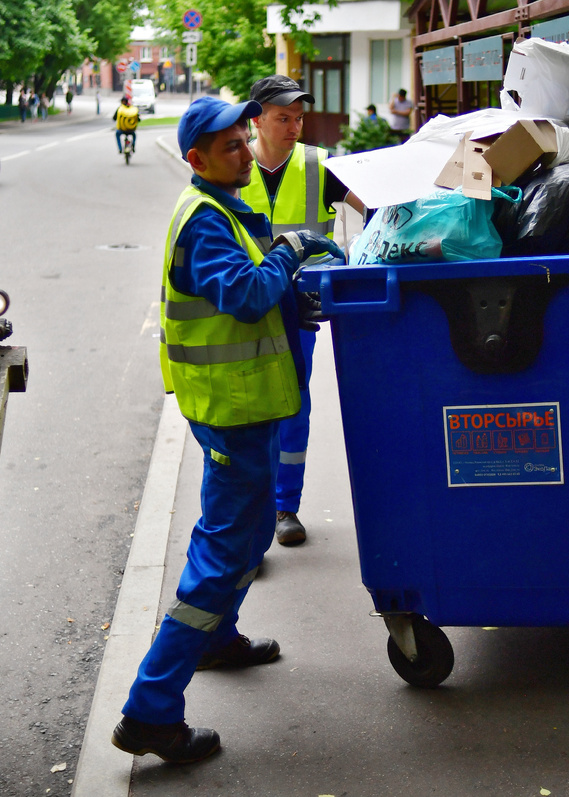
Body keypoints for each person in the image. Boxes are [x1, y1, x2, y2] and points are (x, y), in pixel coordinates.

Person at [110, 96, 344, 763]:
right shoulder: (205, 219)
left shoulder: (224, 208)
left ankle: (218, 639)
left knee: (242, 538)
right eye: (232, 145)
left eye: (246, 138)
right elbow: (243, 295)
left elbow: (251, 288)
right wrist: (290, 253)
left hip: (244, 405)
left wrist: (287, 277)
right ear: (197, 159)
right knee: (222, 554)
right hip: (233, 410)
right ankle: (150, 709)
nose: (246, 150)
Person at [242, 74, 365, 548]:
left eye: (298, 118)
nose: (294, 127)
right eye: (282, 118)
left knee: (293, 403)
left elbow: (372, 208)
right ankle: (251, 512)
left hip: (299, 307)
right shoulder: (233, 164)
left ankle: (283, 507)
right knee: (250, 412)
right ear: (256, 119)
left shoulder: (319, 166)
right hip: (246, 305)